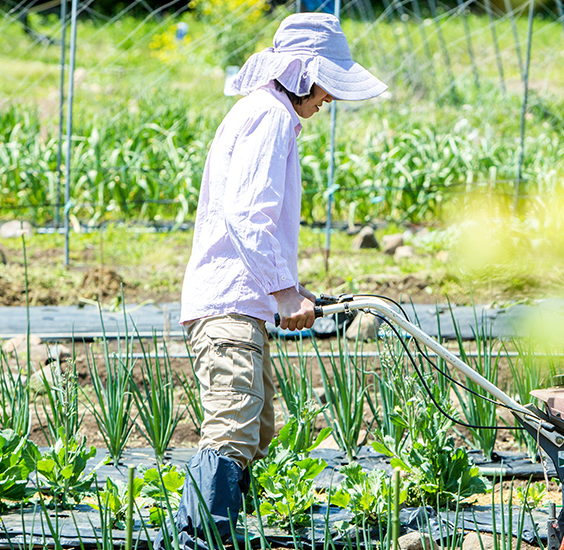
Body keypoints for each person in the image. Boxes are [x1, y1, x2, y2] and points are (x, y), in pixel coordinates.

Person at [156, 13, 387, 550]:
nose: (330, 97)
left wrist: (291, 288)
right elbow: (248, 215)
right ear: (304, 73)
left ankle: (205, 533)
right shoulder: (269, 116)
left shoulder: (268, 113)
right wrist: (284, 293)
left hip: (241, 301)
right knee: (232, 428)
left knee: (255, 432)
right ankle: (198, 541)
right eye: (328, 82)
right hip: (229, 303)